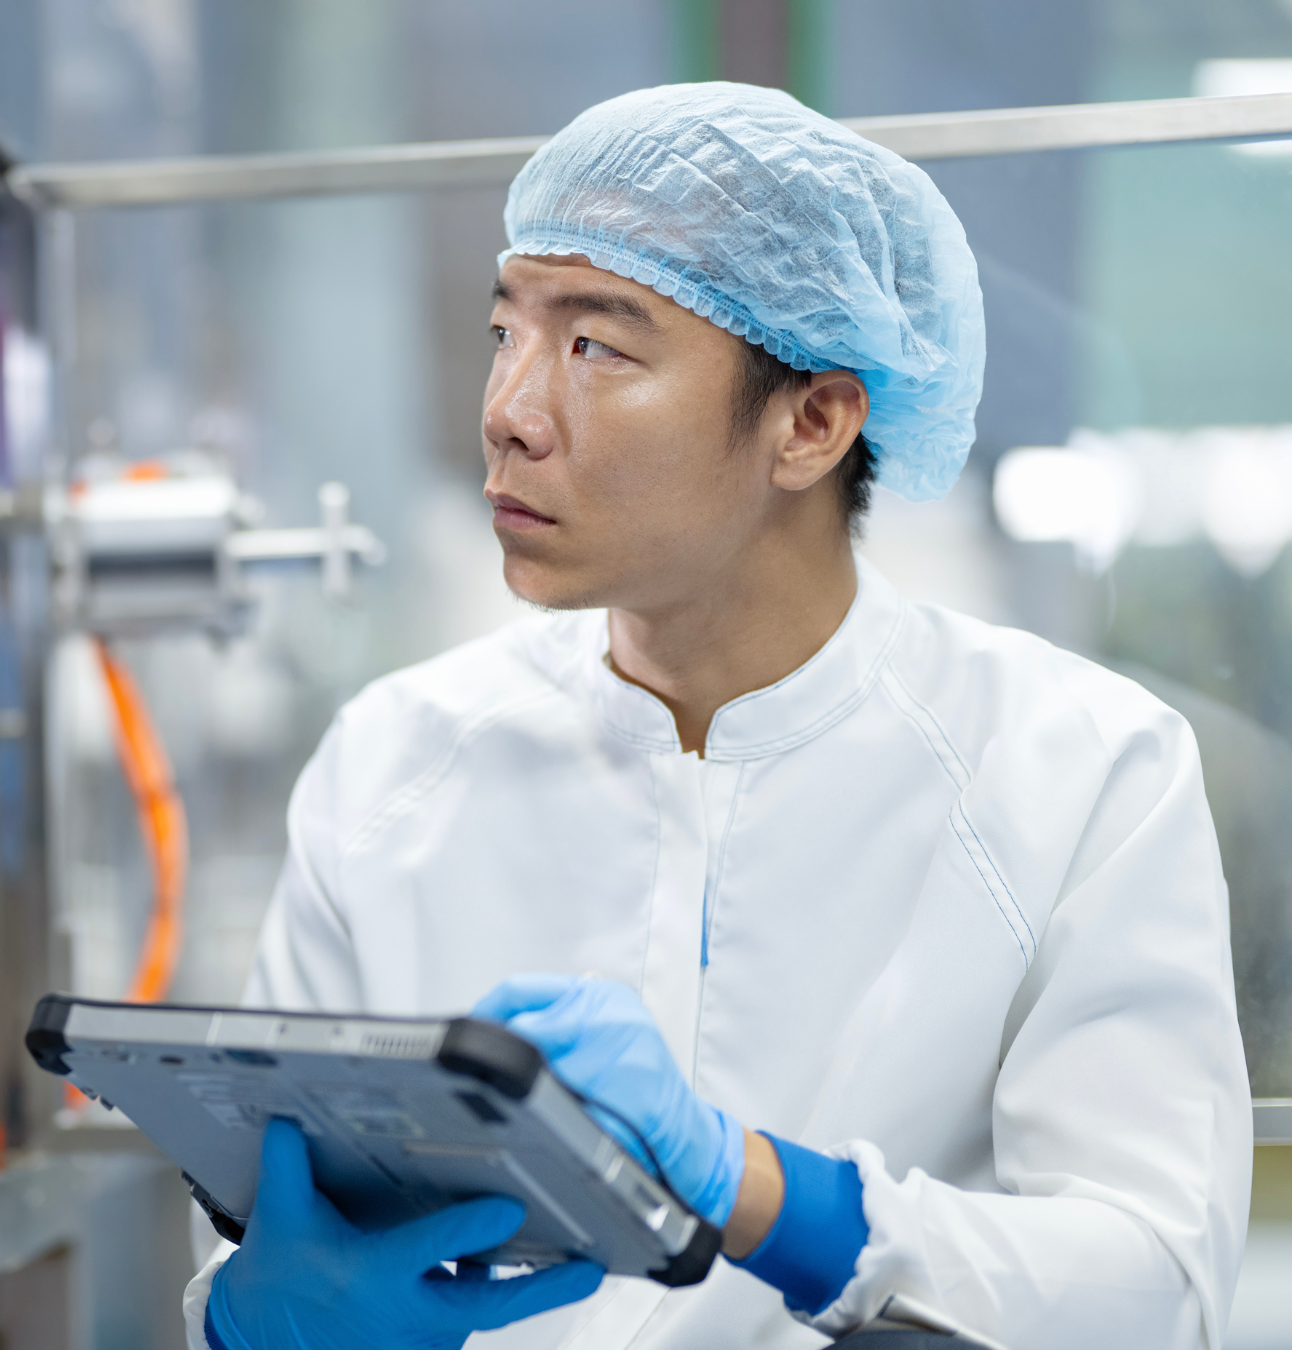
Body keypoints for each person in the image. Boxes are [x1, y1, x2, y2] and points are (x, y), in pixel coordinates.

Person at [185, 82, 1249, 1350]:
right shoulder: (391, 766)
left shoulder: (1078, 771)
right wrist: (243, 1324)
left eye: (596, 346)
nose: (508, 412)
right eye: (503, 333)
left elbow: (1153, 1284)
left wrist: (759, 1191)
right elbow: (278, 1238)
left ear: (813, 421)